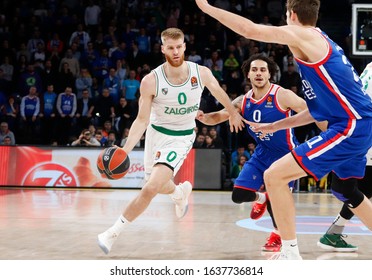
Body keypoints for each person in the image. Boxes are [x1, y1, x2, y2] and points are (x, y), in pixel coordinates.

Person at [195, 0, 372, 260]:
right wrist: (276, 125)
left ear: (291, 14)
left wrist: (207, 8)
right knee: (346, 190)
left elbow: (250, 30)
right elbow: (315, 111)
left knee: (274, 176)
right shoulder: (319, 47)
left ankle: (290, 254)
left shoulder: (304, 35)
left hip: (351, 126)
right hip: (356, 124)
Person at [97, 27, 246, 255]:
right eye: (171, 48)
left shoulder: (201, 72)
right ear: (163, 48)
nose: (175, 52)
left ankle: (112, 233)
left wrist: (232, 113)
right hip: (156, 135)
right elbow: (141, 120)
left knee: (150, 188)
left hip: (181, 137)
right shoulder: (151, 81)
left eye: (179, 47)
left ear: (184, 46)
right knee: (158, 185)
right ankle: (179, 193)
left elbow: (218, 92)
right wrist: (125, 149)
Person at [197, 53, 310, 253]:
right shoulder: (243, 100)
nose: (258, 73)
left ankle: (277, 235)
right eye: (254, 70)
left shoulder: (282, 95)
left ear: (270, 74)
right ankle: (261, 198)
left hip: (286, 156)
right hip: (261, 154)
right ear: (248, 75)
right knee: (239, 195)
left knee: (278, 203)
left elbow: (310, 111)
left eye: (263, 70)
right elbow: (219, 117)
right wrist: (202, 117)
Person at [317, 62, 372, 252]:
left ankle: (333, 233)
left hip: (357, 138)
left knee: (360, 191)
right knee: (352, 190)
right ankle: (333, 233)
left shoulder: (368, 69)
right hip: (362, 138)